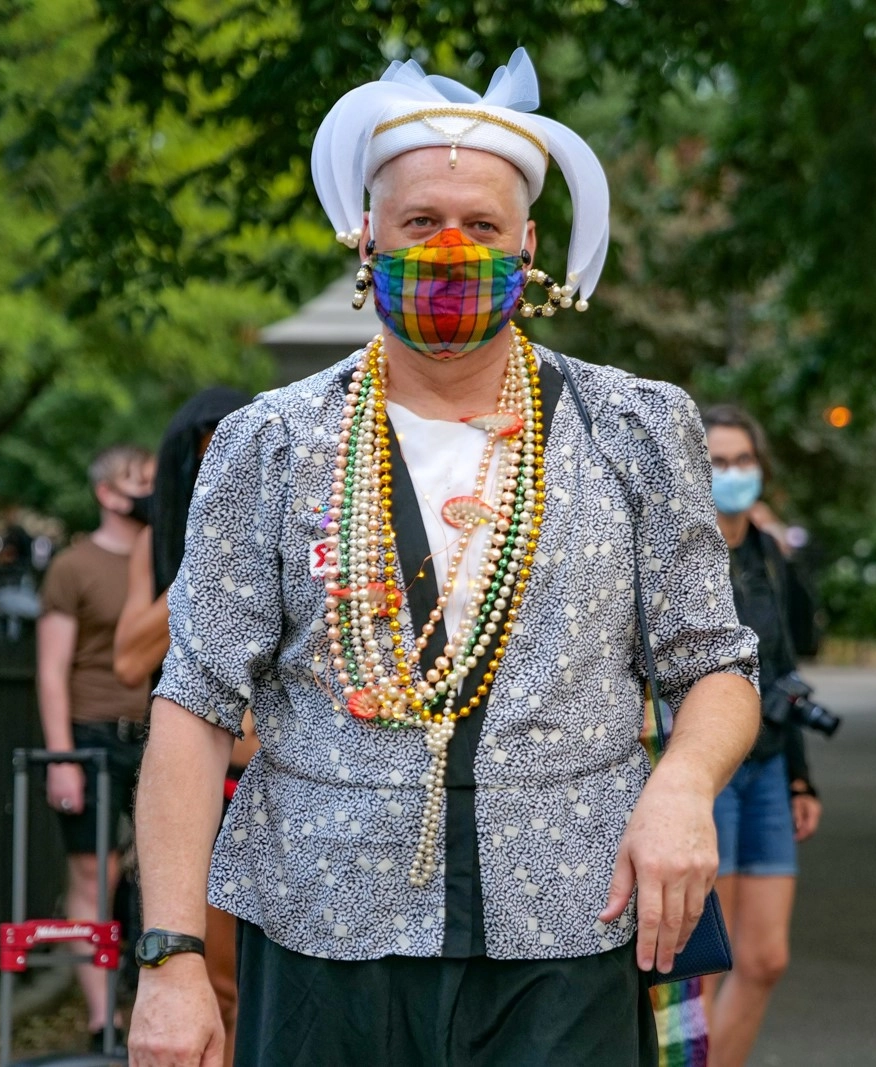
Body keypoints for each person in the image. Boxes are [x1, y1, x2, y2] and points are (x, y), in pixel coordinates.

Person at [128, 48, 760, 1067]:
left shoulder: (631, 428)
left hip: (570, 926)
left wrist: (684, 784)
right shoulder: (273, 442)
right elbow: (194, 704)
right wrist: (170, 958)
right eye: (421, 221)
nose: (453, 248)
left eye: (483, 225)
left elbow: (713, 665)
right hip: (325, 932)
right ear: (367, 233)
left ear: (529, 243)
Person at [112, 387, 256, 1067]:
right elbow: (128, 659)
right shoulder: (163, 541)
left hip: (291, 786)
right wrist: (208, 561)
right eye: (203, 462)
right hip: (211, 789)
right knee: (218, 987)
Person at [699, 405, 820, 1067]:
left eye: (743, 460)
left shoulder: (767, 554)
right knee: (705, 964)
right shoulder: (682, 555)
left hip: (769, 765)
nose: (734, 472)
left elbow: (789, 663)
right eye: (718, 461)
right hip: (709, 766)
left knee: (766, 957)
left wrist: (801, 776)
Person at [35, 443, 154, 1047]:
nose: (151, 492)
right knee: (93, 873)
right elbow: (51, 669)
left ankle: (152, 1006)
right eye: (139, 481)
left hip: (155, 734)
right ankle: (101, 1018)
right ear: (107, 492)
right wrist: (63, 758)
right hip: (91, 736)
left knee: (159, 871)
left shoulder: (168, 558)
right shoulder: (72, 566)